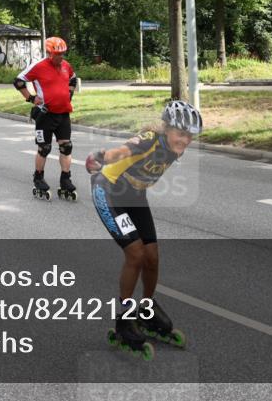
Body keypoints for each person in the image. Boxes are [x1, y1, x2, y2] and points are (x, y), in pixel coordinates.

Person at [85, 99, 202, 359]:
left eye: (190, 137)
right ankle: (125, 316)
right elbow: (124, 151)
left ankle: (146, 307)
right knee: (136, 254)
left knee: (152, 257)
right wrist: (101, 156)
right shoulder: (150, 138)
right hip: (109, 191)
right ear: (167, 128)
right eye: (181, 134)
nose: (185, 140)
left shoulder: (176, 148)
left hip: (135, 195)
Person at [13, 37, 79, 200]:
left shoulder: (66, 65)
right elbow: (19, 81)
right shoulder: (39, 66)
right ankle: (39, 178)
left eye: (62, 54)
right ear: (49, 53)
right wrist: (31, 98)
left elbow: (73, 78)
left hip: (63, 113)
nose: (60, 57)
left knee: (67, 147)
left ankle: (65, 180)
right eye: (57, 54)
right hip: (45, 114)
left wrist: (68, 94)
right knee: (45, 148)